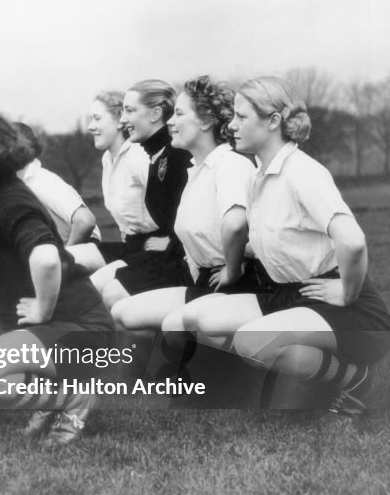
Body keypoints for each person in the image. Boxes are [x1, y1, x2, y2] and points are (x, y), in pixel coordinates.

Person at [179, 76, 390, 415]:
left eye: (241, 117)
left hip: (346, 310)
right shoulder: (261, 173)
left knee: (251, 341)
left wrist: (348, 293)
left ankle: (355, 380)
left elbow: (352, 241)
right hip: (288, 294)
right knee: (195, 317)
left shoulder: (303, 172)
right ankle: (296, 378)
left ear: (273, 121)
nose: (231, 125)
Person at [0, 107, 115, 444]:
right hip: (43, 329)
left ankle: (76, 397)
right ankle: (55, 390)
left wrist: (42, 309)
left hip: (79, 330)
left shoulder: (11, 201)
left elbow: (46, 258)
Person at [109, 77, 255, 367]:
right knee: (122, 313)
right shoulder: (195, 170)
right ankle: (177, 373)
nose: (171, 122)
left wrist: (233, 268)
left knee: (175, 327)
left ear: (206, 121)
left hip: (239, 284)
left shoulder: (230, 164)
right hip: (203, 280)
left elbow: (237, 225)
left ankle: (218, 374)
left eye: (179, 113)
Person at [94, 80, 193, 307]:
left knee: (113, 295)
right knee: (102, 288)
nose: (122, 120)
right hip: (165, 253)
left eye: (130, 111)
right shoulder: (156, 156)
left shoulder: (177, 157)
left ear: (155, 114)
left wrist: (170, 242)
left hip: (182, 260)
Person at [68, 91, 157, 272]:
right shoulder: (107, 159)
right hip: (130, 246)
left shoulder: (138, 155)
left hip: (156, 249)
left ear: (119, 120)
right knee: (66, 259)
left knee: (97, 284)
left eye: (97, 118)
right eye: (90, 120)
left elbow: (176, 202)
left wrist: (170, 240)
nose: (91, 127)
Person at [14, 122, 100, 246]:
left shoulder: (40, 181)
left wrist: (66, 258)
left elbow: (85, 221)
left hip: (86, 250)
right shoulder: (20, 185)